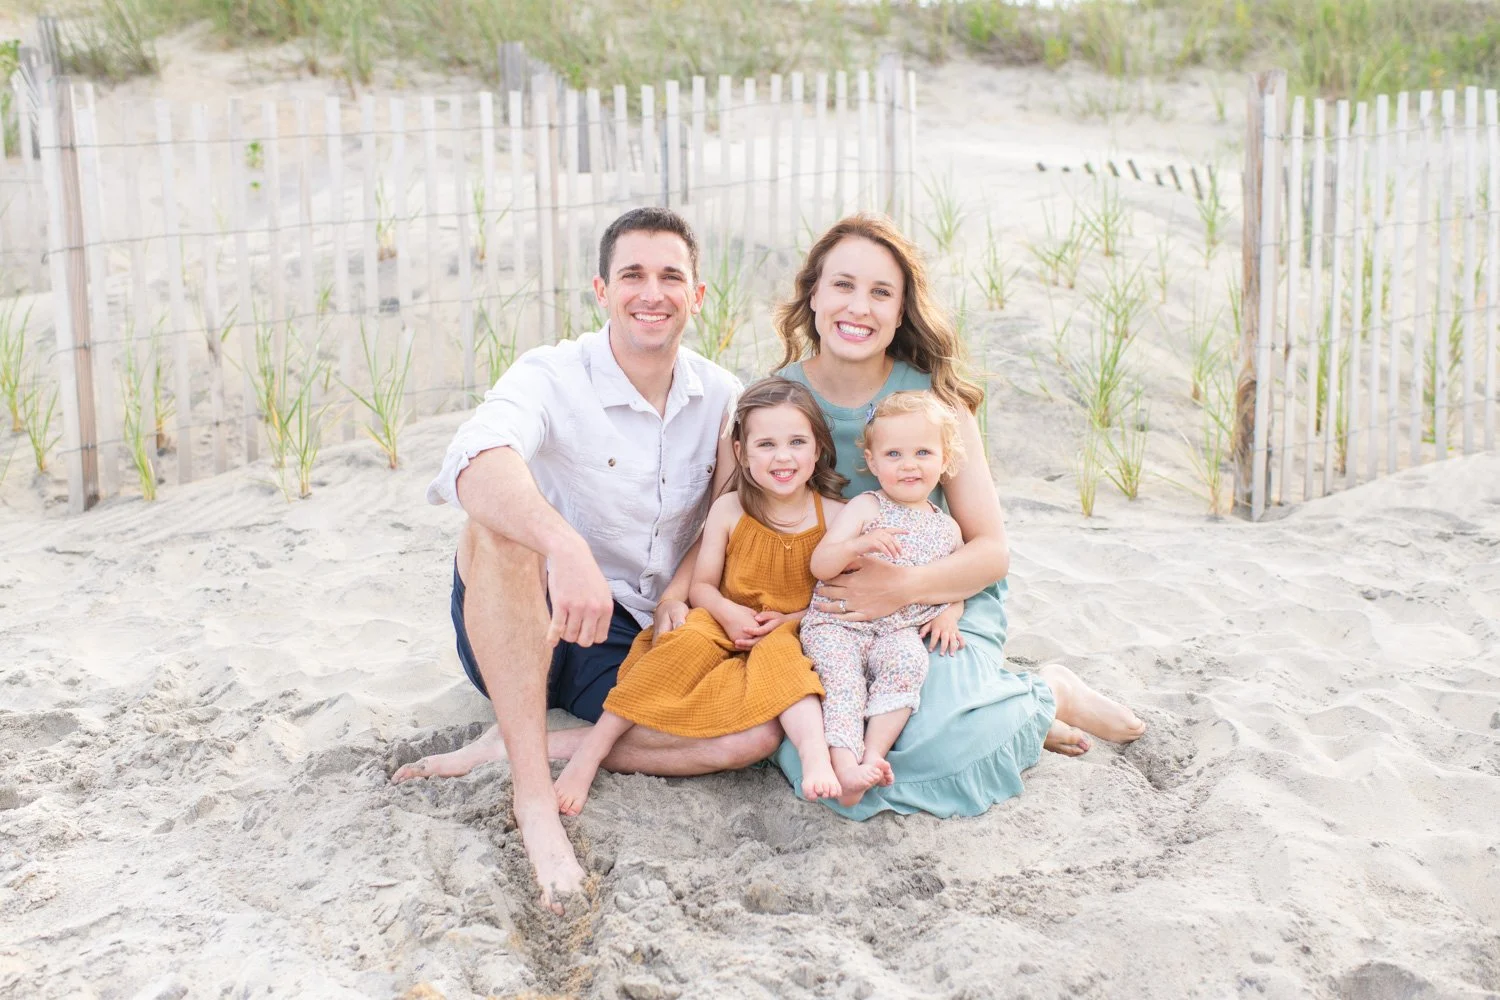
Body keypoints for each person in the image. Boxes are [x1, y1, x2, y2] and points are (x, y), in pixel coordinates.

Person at [393, 207, 768, 912]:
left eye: (670, 276)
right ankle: (535, 801)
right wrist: (564, 545)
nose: (650, 293)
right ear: (601, 290)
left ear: (698, 295)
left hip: (628, 636)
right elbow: (472, 461)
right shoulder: (551, 374)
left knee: (748, 734)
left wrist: (683, 596)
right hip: (527, 616)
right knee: (497, 529)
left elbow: (725, 517)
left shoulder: (723, 398)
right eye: (632, 275)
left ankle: (517, 744)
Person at [773, 213, 1148, 820]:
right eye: (842, 285)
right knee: (812, 747)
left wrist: (901, 588)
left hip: (938, 601)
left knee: (926, 743)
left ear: (901, 312)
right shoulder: (776, 400)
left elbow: (991, 551)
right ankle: (1016, 711)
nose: (858, 307)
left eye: (881, 293)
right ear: (813, 293)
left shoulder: (934, 404)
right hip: (827, 613)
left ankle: (1045, 692)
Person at [553, 377, 849, 815]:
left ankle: (815, 758)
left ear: (819, 448)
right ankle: (591, 750)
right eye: (765, 444)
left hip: (783, 632)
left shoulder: (837, 517)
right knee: (678, 649)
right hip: (721, 620)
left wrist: (791, 620)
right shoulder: (731, 510)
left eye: (797, 442)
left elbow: (833, 599)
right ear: (741, 454)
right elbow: (702, 586)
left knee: (791, 674)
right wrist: (727, 613)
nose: (782, 457)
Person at [802, 390, 968, 807]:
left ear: (945, 460)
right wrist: (860, 543)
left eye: (923, 452)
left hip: (896, 627)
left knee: (910, 665)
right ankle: (844, 767)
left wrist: (950, 613)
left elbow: (955, 584)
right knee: (843, 683)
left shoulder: (948, 529)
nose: (909, 464)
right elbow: (821, 564)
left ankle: (873, 754)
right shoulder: (865, 506)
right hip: (838, 622)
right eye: (893, 454)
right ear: (873, 463)